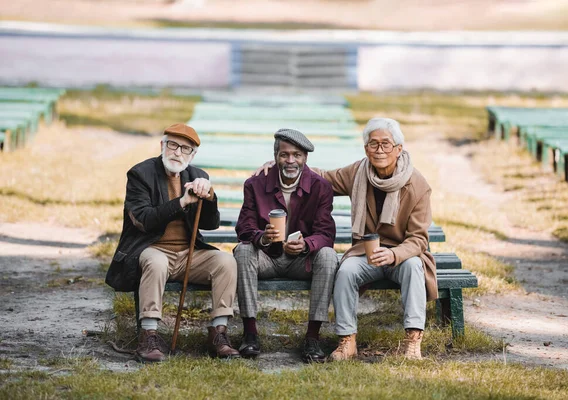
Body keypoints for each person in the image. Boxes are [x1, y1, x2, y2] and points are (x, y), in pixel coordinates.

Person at [257, 118, 436, 361]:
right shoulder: (358, 173)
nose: (380, 150)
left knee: (415, 267)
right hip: (366, 252)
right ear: (365, 149)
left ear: (399, 149)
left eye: (386, 144)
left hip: (401, 255)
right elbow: (322, 177)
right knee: (346, 270)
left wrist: (394, 254)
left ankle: (413, 341)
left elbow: (418, 240)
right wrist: (280, 165)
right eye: (373, 144)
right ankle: (347, 341)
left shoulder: (417, 185)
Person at [105, 123, 239, 362]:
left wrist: (209, 197)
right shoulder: (140, 174)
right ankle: (149, 334)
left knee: (226, 262)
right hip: (151, 250)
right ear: (162, 145)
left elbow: (210, 224)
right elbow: (144, 220)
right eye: (173, 145)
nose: (177, 152)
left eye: (185, 149)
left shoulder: (198, 176)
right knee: (156, 262)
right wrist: (182, 202)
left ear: (192, 155)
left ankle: (218, 333)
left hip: (189, 254)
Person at [234, 128, 338, 363]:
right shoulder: (255, 184)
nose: (291, 160)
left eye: (297, 155)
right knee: (242, 251)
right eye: (284, 155)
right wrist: (263, 237)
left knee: (329, 256)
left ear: (305, 158)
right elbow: (244, 227)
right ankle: (250, 333)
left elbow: (326, 233)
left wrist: (306, 245)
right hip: (266, 257)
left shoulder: (321, 187)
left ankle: (312, 337)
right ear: (276, 157)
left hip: (302, 260)